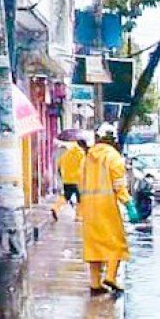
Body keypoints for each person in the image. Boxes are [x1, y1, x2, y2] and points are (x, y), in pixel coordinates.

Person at [78, 122, 133, 297]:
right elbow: (119, 184)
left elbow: (80, 181)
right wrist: (128, 203)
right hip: (107, 206)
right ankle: (110, 277)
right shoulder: (113, 156)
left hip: (89, 207)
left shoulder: (87, 157)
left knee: (93, 245)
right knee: (116, 242)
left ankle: (95, 284)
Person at [53, 136, 89, 219]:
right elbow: (85, 166)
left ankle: (55, 207)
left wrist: (62, 176)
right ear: (83, 146)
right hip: (78, 180)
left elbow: (59, 165)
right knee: (80, 198)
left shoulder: (67, 153)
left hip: (66, 179)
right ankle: (78, 215)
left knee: (66, 196)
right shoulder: (81, 154)